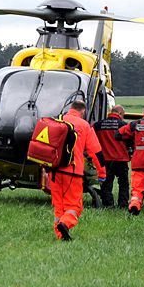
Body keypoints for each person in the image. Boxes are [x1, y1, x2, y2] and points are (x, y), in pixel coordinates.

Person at [51, 100, 107, 241]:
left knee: (59, 205)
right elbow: (96, 152)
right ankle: (65, 223)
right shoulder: (84, 125)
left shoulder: (57, 120)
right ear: (83, 111)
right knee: (74, 206)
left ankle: (60, 235)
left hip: (54, 171)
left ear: (70, 108)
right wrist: (102, 173)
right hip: (73, 172)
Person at [92, 104, 131, 209]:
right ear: (120, 113)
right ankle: (123, 205)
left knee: (106, 184)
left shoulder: (98, 125)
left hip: (105, 160)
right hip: (121, 159)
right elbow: (129, 142)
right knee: (123, 184)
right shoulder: (124, 126)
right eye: (123, 114)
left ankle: (108, 204)